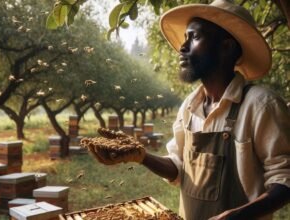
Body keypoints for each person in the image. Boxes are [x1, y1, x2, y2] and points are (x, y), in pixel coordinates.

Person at [84, 0, 290, 219]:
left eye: (195, 37)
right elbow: (179, 168)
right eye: (185, 38)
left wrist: (238, 216)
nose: (182, 47)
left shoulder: (260, 105)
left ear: (226, 47)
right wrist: (141, 156)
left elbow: (284, 179)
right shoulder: (190, 106)